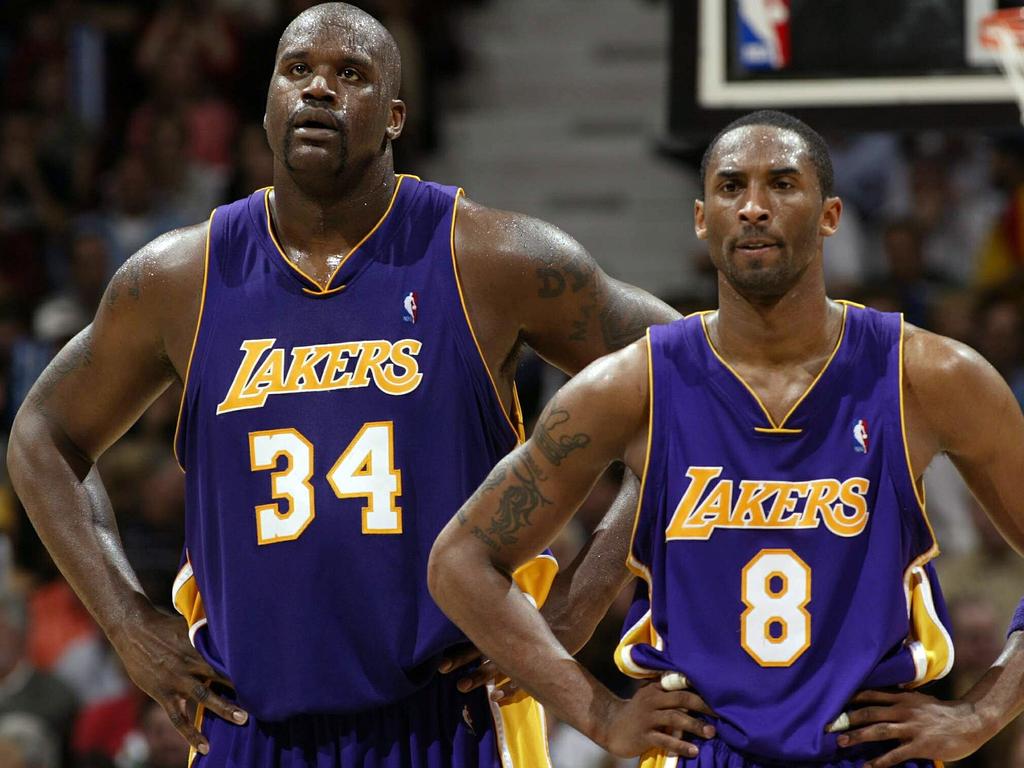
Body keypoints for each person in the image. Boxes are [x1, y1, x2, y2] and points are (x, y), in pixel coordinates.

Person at [4, 3, 687, 767]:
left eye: (350, 75)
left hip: (447, 719)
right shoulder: (179, 278)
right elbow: (42, 436)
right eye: (297, 70)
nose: (319, 90)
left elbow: (694, 383)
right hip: (246, 717)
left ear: (394, 116)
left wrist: (585, 597)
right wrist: (128, 622)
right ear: (265, 104)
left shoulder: (491, 258)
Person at [429, 110, 1024, 767]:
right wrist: (601, 715)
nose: (754, 207)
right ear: (701, 218)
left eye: (783, 184)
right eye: (732, 187)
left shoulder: (929, 376)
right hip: (703, 751)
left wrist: (981, 714)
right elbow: (459, 561)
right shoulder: (633, 387)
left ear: (830, 215)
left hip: (867, 749)